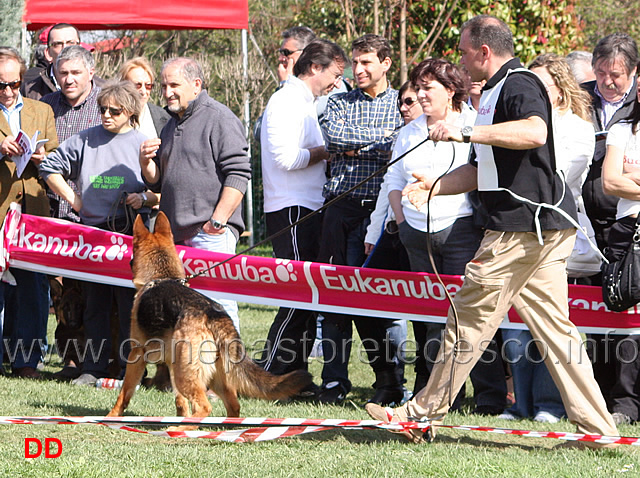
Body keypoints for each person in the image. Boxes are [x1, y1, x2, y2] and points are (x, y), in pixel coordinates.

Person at [365, 14, 618, 447]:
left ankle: (420, 414)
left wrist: (466, 129)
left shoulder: (518, 84)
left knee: (467, 317)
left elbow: (535, 132)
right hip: (545, 228)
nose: (461, 63)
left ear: (484, 51)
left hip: (519, 228)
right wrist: (435, 188)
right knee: (556, 331)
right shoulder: (494, 93)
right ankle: (601, 431)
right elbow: (484, 169)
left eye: (464, 53)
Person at [385, 58, 506, 415]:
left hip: (460, 230)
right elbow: (393, 180)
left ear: (450, 90)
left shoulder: (472, 124)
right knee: (429, 319)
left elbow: (482, 175)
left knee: (471, 315)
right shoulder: (408, 131)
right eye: (417, 88)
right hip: (415, 234)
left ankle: (489, 394)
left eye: (428, 88)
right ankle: (433, 395)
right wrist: (400, 220)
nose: (420, 96)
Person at [39, 80, 157, 386]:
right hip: (93, 234)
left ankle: (130, 369)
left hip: (129, 233)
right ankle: (92, 367)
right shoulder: (86, 139)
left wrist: (142, 198)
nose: (106, 115)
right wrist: (75, 200)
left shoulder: (142, 142)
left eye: (114, 111)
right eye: (102, 108)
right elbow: (49, 166)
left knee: (129, 306)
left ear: (130, 111)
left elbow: (159, 189)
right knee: (95, 304)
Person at [499, 53, 595, 424]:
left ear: (560, 88)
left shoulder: (577, 128)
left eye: (542, 86)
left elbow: (554, 179)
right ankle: (519, 403)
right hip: (516, 230)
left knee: (552, 325)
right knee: (516, 325)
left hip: (554, 231)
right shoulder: (519, 125)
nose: (534, 93)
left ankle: (549, 405)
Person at [317, 33, 404, 404]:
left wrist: (362, 145)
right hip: (341, 207)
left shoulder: (403, 102)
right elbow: (334, 138)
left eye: (367, 62)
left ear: (386, 63)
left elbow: (399, 143)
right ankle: (334, 380)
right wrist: (379, 141)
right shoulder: (338, 102)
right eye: (355, 62)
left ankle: (391, 381)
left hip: (382, 212)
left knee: (382, 300)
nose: (359, 69)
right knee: (335, 297)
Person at [138, 57, 251, 331]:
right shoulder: (170, 124)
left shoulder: (219, 118)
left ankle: (229, 369)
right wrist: (144, 162)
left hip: (209, 234)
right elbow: (159, 182)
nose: (167, 92)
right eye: (163, 86)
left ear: (196, 84)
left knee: (219, 310)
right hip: (177, 237)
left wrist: (218, 222)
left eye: (174, 85)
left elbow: (239, 173)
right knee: (188, 318)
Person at [258, 40, 347, 384]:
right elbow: (285, 158)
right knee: (298, 295)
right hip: (290, 208)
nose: (337, 83)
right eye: (335, 74)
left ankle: (294, 374)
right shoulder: (284, 101)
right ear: (314, 67)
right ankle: (270, 371)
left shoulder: (306, 102)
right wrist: (328, 151)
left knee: (308, 295)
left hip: (308, 206)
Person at [581, 34, 639, 418]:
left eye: (615, 74)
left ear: (634, 72)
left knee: (628, 312)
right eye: (600, 73)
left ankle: (625, 401)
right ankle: (598, 394)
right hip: (583, 223)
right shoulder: (580, 97)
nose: (607, 81)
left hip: (626, 224)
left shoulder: (637, 108)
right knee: (592, 313)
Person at [0, 47, 59, 378]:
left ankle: (27, 362)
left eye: (14, 83)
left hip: (33, 211)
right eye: (0, 85)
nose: (8, 92)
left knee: (34, 289)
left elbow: (55, 155)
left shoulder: (42, 111)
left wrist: (42, 157)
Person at [361, 81, 421, 403]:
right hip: (393, 231)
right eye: (401, 102)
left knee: (427, 313)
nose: (404, 107)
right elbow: (390, 184)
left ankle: (427, 386)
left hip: (431, 233)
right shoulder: (405, 135)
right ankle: (388, 380)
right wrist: (373, 234)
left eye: (410, 101)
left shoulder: (457, 127)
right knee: (364, 300)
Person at [118, 57, 170, 139]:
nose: (143, 91)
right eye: (137, 85)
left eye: (148, 85)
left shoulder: (165, 117)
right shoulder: (109, 115)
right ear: (123, 85)